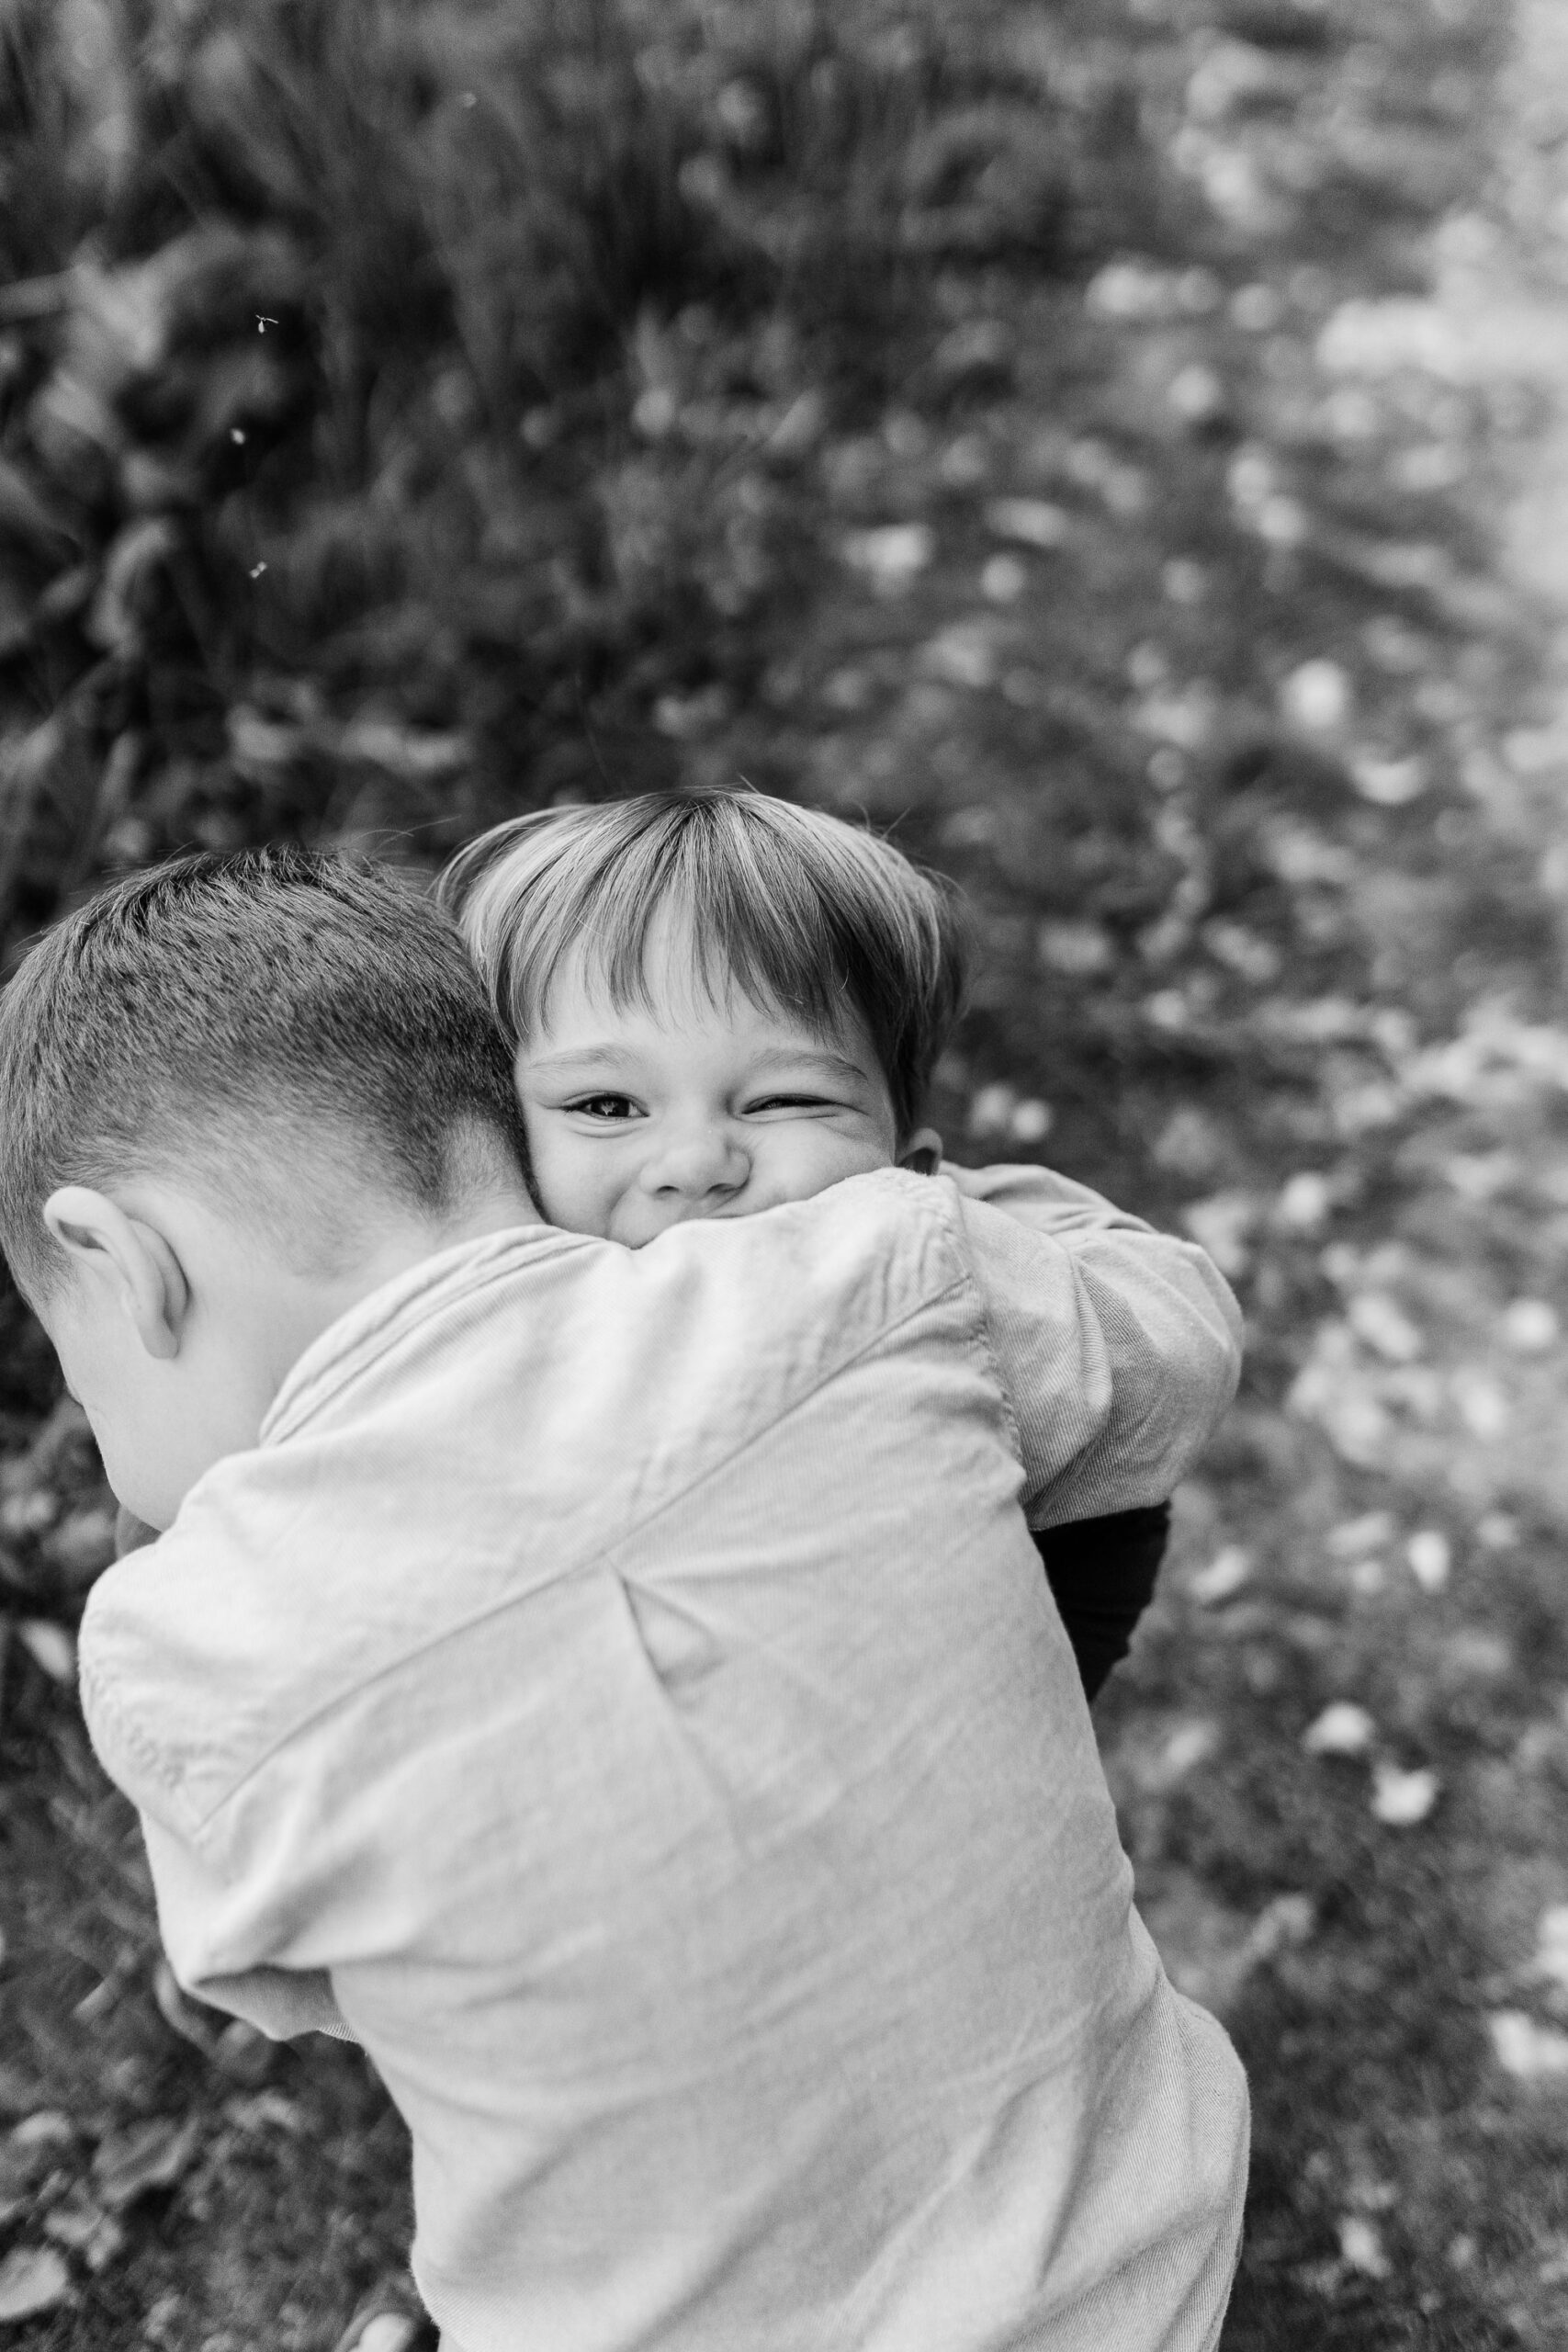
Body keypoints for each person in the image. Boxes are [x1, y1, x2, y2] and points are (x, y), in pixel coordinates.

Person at [8, 848, 1249, 2352]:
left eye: (75, 1374)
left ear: (117, 1259)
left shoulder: (179, 1653)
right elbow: (1171, 1349)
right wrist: (920, 1220)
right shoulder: (876, 1273)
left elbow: (309, 1992)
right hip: (1137, 2266)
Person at [443, 786, 1201, 1704]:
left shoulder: (966, 1301)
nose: (696, 1162)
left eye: (782, 1100)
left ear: (909, 1176)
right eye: (606, 1105)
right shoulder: (461, 1343)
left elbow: (1172, 1345)